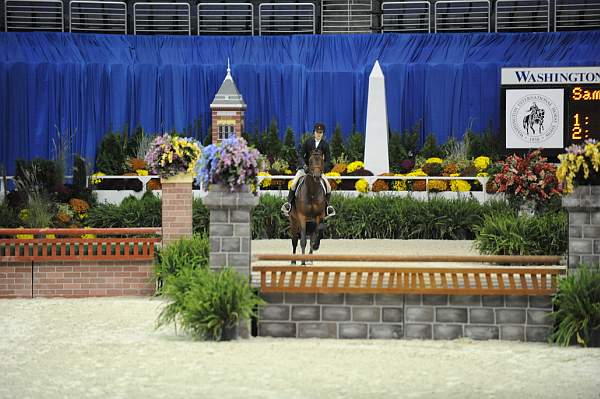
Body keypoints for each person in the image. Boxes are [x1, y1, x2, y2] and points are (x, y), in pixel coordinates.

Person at [281, 122, 335, 218]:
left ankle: (327, 208)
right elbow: (300, 155)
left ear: (323, 133)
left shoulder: (325, 145)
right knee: (294, 183)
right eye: (317, 132)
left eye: (321, 133)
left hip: (318, 171)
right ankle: (289, 204)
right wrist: (304, 165)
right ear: (314, 132)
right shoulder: (308, 142)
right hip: (305, 169)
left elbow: (328, 160)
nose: (319, 134)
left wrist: (323, 169)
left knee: (328, 186)